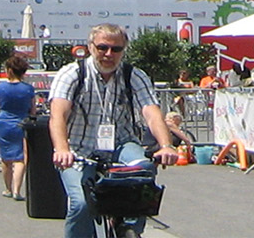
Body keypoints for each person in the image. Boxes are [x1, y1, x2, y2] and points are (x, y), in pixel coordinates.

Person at [48, 24, 181, 238]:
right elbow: (58, 115)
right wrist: (62, 149)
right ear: (91, 47)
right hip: (78, 150)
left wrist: (166, 146)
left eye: (116, 49)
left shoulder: (133, 75)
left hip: (121, 144)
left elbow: (151, 112)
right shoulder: (72, 74)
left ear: (124, 50)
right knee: (81, 204)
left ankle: (129, 228)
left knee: (144, 168)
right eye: (102, 48)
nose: (109, 54)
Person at [0, 54, 38, 201]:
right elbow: (33, 110)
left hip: (4, 122)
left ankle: (8, 188)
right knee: (20, 158)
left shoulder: (1, 87)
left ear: (9, 70)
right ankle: (18, 190)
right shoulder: (28, 89)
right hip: (21, 123)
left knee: (6, 158)